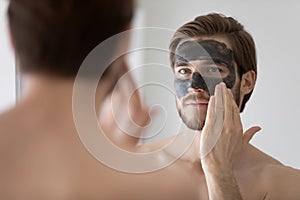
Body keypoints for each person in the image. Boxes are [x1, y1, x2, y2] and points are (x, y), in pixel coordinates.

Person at [143, 13, 300, 199]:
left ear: (247, 82)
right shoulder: (138, 166)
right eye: (184, 71)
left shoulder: (283, 183)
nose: (194, 86)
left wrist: (218, 171)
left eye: (213, 70)